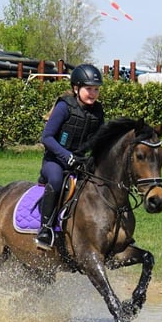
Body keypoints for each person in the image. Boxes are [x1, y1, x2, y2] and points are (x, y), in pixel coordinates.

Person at [34, 63, 105, 250]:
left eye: (96, 89)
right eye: (88, 89)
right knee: (56, 181)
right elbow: (47, 137)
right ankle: (46, 229)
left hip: (80, 162)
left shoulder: (98, 112)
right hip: (54, 161)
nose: (93, 93)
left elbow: (99, 141)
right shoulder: (64, 107)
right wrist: (67, 157)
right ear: (76, 88)